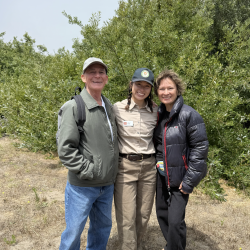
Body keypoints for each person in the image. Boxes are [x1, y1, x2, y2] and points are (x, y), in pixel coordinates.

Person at [58, 57, 119, 250]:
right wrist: (89, 170)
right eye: (92, 72)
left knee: (102, 230)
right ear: (83, 77)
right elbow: (65, 149)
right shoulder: (74, 107)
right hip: (82, 186)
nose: (97, 76)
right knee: (73, 233)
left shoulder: (109, 106)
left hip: (107, 186)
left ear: (106, 79)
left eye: (101, 72)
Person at [153, 69, 209, 250]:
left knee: (175, 221)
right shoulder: (159, 115)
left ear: (178, 89)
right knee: (162, 215)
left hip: (180, 178)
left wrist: (189, 181)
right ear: (157, 92)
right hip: (162, 176)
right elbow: (159, 144)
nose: (166, 92)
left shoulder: (189, 115)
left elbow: (200, 151)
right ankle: (174, 245)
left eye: (170, 88)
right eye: (162, 89)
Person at [113, 68, 158, 250]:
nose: (142, 89)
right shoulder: (117, 108)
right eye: (138, 84)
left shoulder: (156, 110)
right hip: (125, 167)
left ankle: (136, 246)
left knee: (144, 214)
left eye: (147, 86)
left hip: (149, 167)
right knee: (126, 216)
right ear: (131, 85)